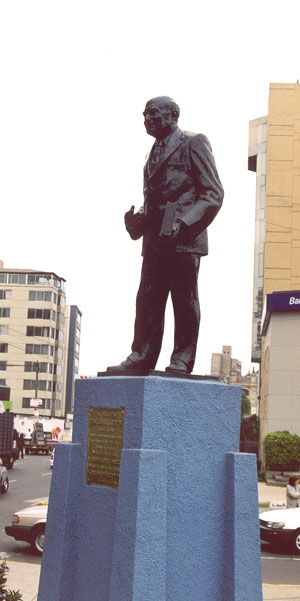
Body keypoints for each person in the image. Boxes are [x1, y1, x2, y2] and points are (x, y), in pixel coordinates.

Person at [107, 96, 224, 375]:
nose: (148, 120)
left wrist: (183, 224)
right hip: (155, 241)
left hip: (184, 240)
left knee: (183, 299)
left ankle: (182, 357)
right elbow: (155, 201)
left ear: (173, 116)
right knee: (147, 298)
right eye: (145, 115)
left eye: (154, 115)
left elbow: (213, 194)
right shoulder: (151, 154)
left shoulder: (194, 142)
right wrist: (137, 222)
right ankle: (142, 355)